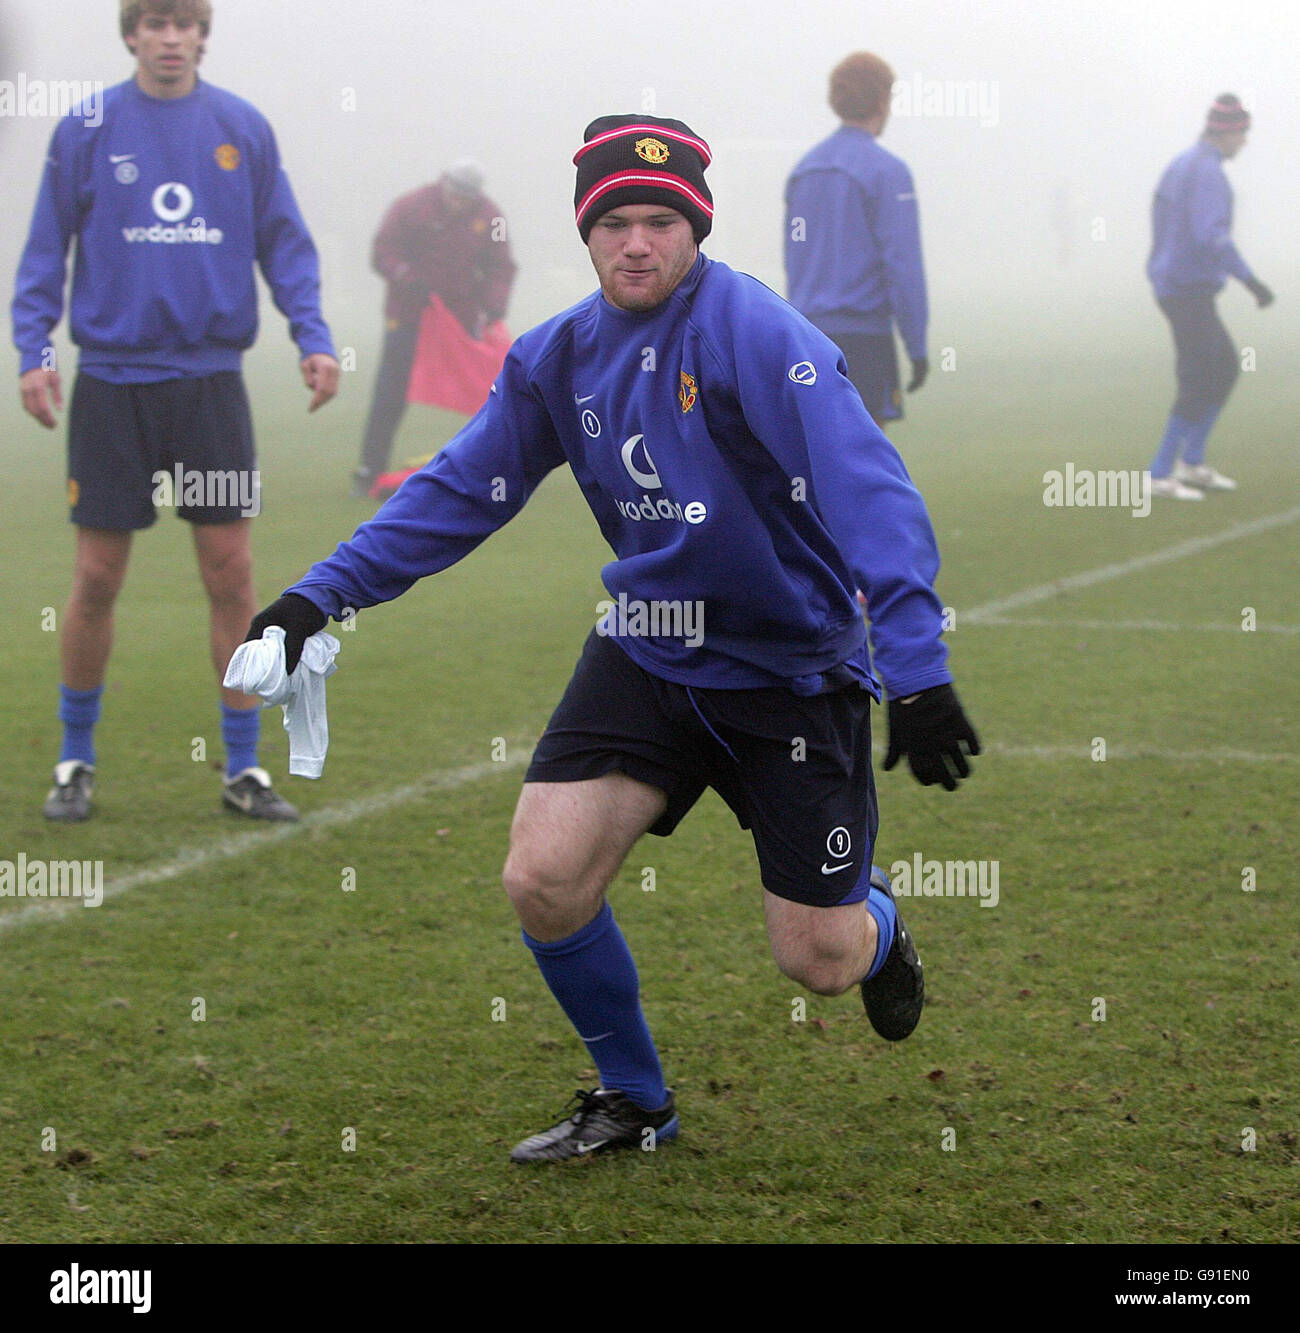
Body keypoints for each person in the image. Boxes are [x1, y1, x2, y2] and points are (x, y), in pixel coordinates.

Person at [248, 114, 978, 1162]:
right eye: (616, 223)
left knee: (817, 958)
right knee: (541, 875)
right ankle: (635, 1099)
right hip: (645, 652)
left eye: (661, 221)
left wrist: (914, 671)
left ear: (695, 228)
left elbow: (872, 497)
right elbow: (459, 490)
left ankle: (878, 927)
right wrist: (315, 600)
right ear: (587, 235)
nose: (638, 242)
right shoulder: (557, 357)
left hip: (788, 670)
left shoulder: (761, 336)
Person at [12, 0, 339, 823]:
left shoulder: (242, 128)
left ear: (202, 35)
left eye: (183, 24)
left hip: (209, 385)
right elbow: (45, 250)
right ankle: (74, 760)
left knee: (230, 573)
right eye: (154, 24)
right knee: (96, 576)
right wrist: (34, 352)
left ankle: (242, 769)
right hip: (113, 384)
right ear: (132, 34)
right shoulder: (86, 127)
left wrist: (314, 335)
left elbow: (286, 243)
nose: (169, 38)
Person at [351, 160, 516, 496]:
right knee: (390, 395)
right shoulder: (410, 206)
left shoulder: (490, 216)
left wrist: (494, 303)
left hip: (460, 320)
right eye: (455, 194)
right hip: (409, 317)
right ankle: (370, 470)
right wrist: (407, 278)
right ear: (444, 184)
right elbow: (384, 251)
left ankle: (488, 468)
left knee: (484, 394)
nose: (458, 202)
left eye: (466, 197)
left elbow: (501, 265)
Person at [784, 52, 929, 426]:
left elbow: (794, 258)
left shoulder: (805, 169)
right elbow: (902, 264)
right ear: (882, 99)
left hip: (807, 337)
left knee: (815, 459)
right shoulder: (888, 171)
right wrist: (916, 345)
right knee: (865, 465)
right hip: (864, 340)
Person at [1145, 94, 1273, 500]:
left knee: (1222, 368)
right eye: (1243, 133)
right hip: (1186, 289)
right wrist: (1251, 281)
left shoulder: (1185, 164)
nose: (1245, 142)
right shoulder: (1206, 172)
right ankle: (1161, 472)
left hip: (1178, 284)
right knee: (1200, 375)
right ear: (1228, 131)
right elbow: (1211, 235)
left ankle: (1193, 462)